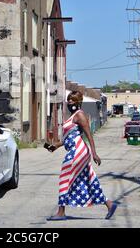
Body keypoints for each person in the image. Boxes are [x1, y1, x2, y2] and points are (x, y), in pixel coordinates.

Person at [46, 90, 118, 221]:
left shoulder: (80, 115)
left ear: (78, 102)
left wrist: (94, 153)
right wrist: (55, 146)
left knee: (64, 177)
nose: (70, 102)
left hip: (77, 151)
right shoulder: (73, 116)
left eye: (72, 100)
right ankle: (109, 203)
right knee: (89, 179)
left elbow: (89, 135)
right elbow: (70, 137)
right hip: (76, 150)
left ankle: (61, 212)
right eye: (69, 100)